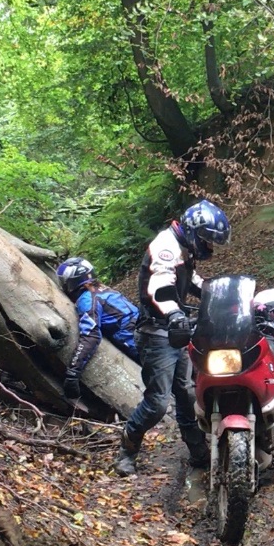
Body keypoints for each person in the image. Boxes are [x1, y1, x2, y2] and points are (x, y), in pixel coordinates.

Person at [114, 199, 231, 477]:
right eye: (207, 239)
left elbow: (189, 279)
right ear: (192, 231)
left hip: (175, 330)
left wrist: (219, 295)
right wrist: (174, 313)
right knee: (157, 403)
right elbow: (159, 286)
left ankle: (198, 453)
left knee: (187, 394)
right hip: (156, 332)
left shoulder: (183, 248)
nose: (209, 247)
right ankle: (126, 450)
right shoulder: (166, 247)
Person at [56, 257, 140, 400]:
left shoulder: (87, 298)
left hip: (141, 346)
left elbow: (91, 334)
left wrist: (73, 373)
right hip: (153, 336)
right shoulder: (106, 290)